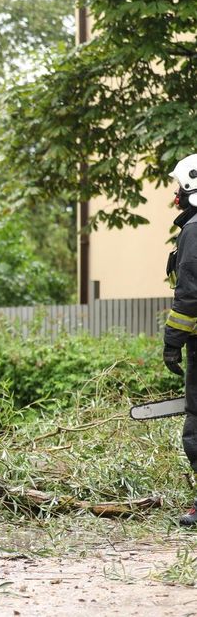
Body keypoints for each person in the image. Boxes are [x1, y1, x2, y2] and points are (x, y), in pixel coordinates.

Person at [162, 154, 197, 527]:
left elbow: (189, 295)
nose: (175, 195)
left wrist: (173, 340)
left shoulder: (195, 230)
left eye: (178, 187)